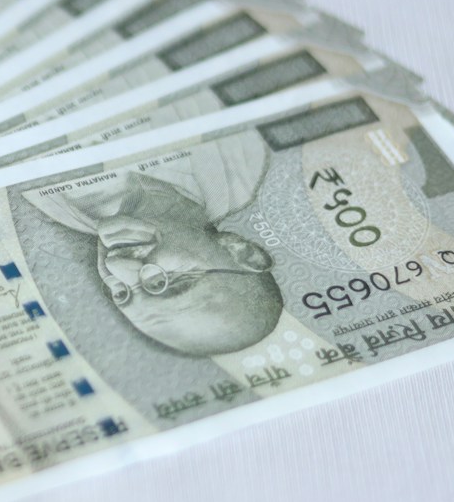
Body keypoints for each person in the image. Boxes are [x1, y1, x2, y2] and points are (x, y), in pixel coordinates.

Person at [27, 138, 282, 357]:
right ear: (240, 250)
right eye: (164, 282)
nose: (117, 266)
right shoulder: (236, 158)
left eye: (121, 293)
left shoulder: (54, 210)